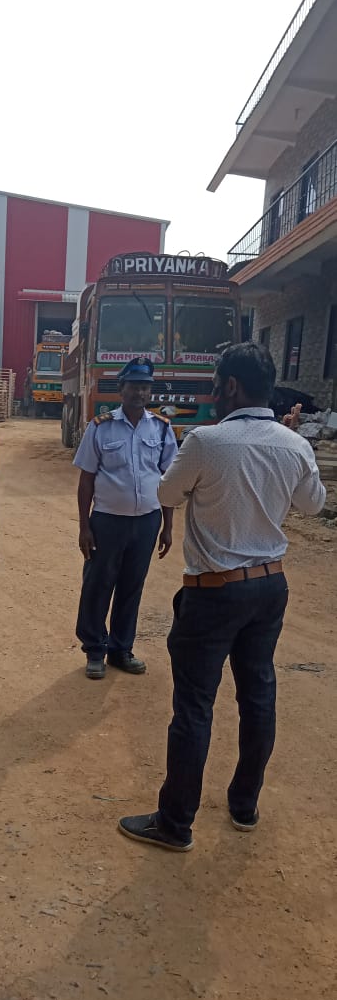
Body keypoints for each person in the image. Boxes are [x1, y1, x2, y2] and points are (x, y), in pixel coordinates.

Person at [119, 343, 326, 852]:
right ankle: (244, 805)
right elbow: (313, 504)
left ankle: (175, 823)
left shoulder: (206, 441)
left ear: (231, 386)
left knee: (194, 705)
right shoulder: (294, 445)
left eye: (216, 383)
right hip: (269, 587)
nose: (213, 391)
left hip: (214, 591)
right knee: (258, 696)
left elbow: (166, 495)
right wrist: (294, 453)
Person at [73, 356, 178, 680]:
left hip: (146, 522)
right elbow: (86, 480)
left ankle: (121, 649)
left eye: (145, 387)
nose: (139, 393)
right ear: (121, 389)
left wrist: (168, 526)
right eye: (133, 386)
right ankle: (95, 649)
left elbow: (168, 480)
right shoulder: (100, 426)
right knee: (98, 585)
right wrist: (84, 526)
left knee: (132, 586)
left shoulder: (161, 428)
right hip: (107, 521)